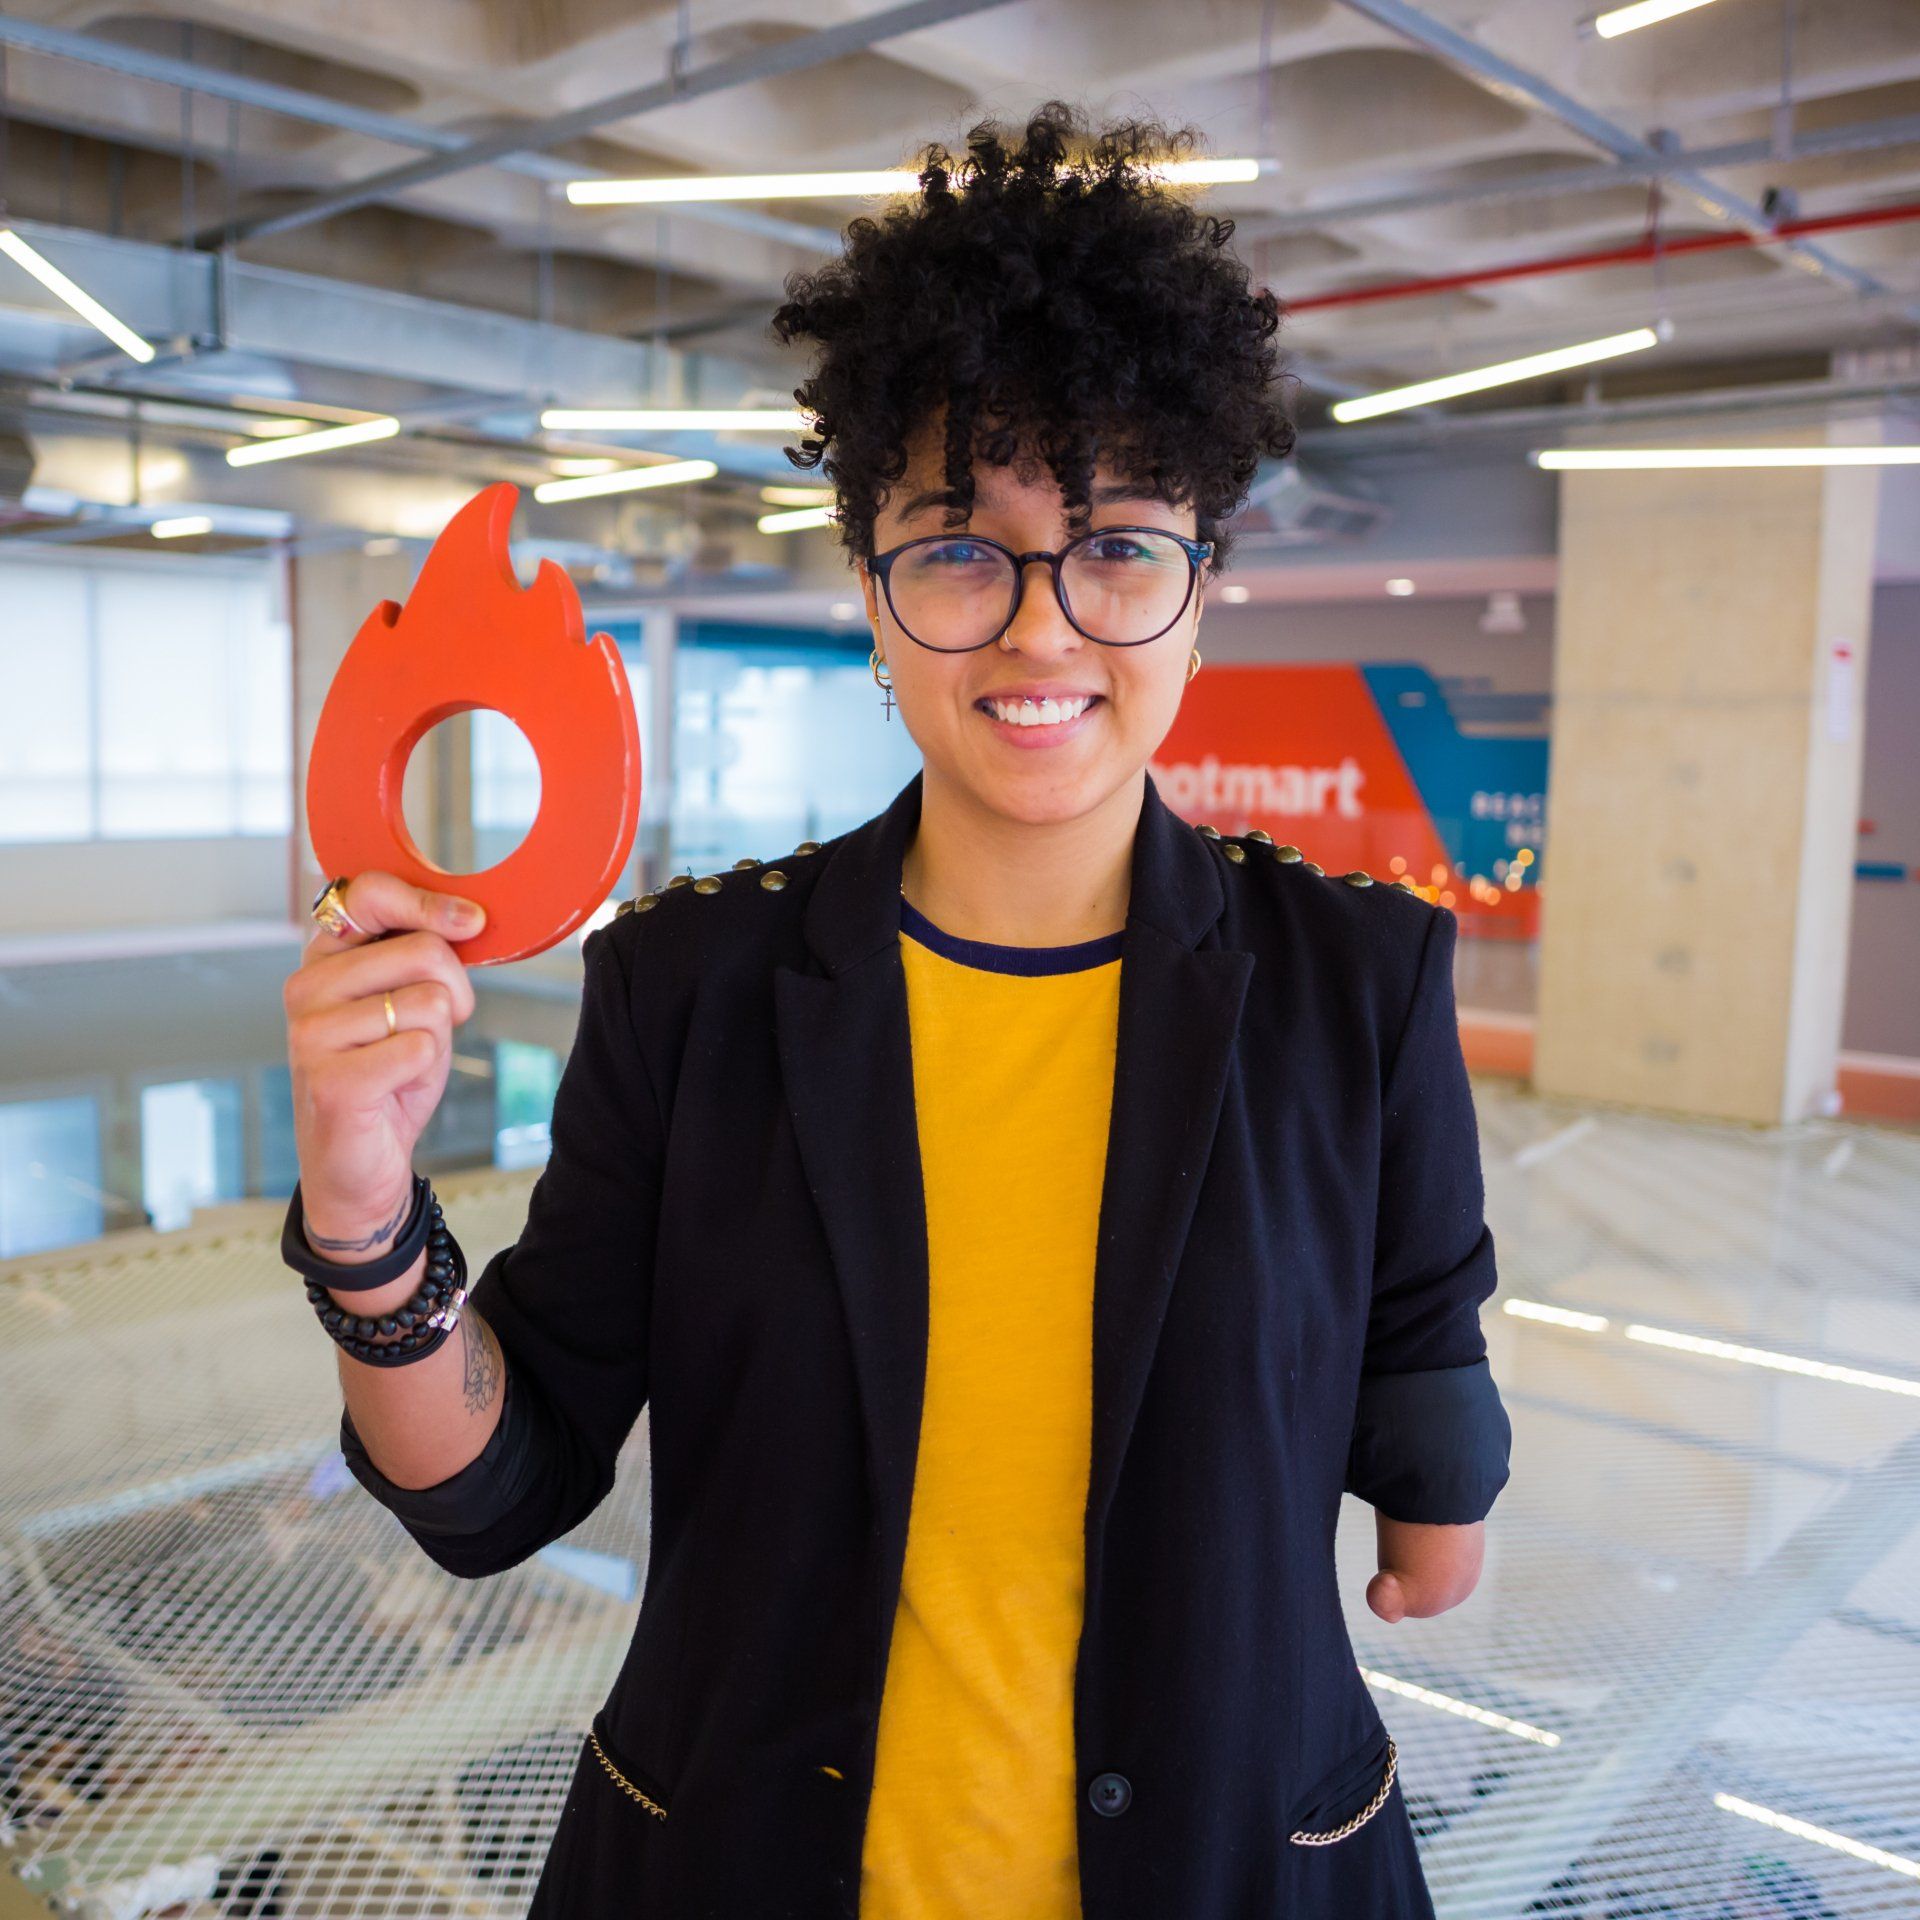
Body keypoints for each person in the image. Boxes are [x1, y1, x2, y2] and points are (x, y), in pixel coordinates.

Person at [282, 100, 1511, 1920]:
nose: (1040, 628)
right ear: (869, 590)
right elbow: (496, 1492)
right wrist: (366, 1212)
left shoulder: (1358, 985)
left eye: (1114, 546)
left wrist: (1438, 1491)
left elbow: (1420, 1323)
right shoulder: (692, 990)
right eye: (958, 549)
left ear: (1200, 589)